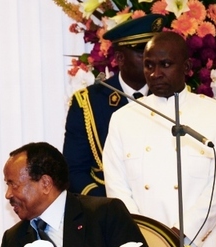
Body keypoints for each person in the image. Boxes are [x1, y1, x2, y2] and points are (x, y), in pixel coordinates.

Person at [103, 32, 216, 247]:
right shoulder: (123, 119)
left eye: (165, 64)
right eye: (149, 65)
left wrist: (180, 235)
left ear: (186, 67)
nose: (155, 74)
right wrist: (146, 238)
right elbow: (117, 189)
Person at [63, 14, 166, 196]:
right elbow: (74, 171)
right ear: (119, 58)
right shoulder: (89, 102)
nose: (152, 62)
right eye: (143, 54)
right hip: (109, 208)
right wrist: (110, 208)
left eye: (156, 53)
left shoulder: (170, 96)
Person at [0, 142, 150, 247]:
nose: (8, 194)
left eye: (13, 185)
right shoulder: (13, 239)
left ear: (45, 183)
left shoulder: (105, 214)